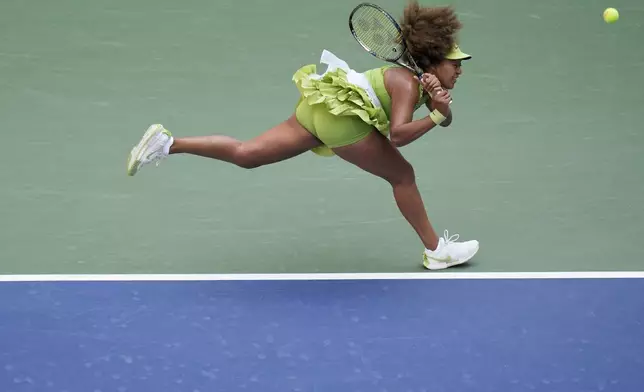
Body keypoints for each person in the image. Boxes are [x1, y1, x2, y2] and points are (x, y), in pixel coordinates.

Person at [126, 1, 479, 270]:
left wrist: (438, 108)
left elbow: (443, 118)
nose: (461, 69)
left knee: (248, 154)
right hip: (343, 121)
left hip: (321, 107)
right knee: (403, 175)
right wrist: (434, 114)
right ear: (432, 61)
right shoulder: (406, 83)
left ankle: (168, 143)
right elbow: (400, 135)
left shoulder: (420, 84)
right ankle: (436, 251)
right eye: (455, 63)